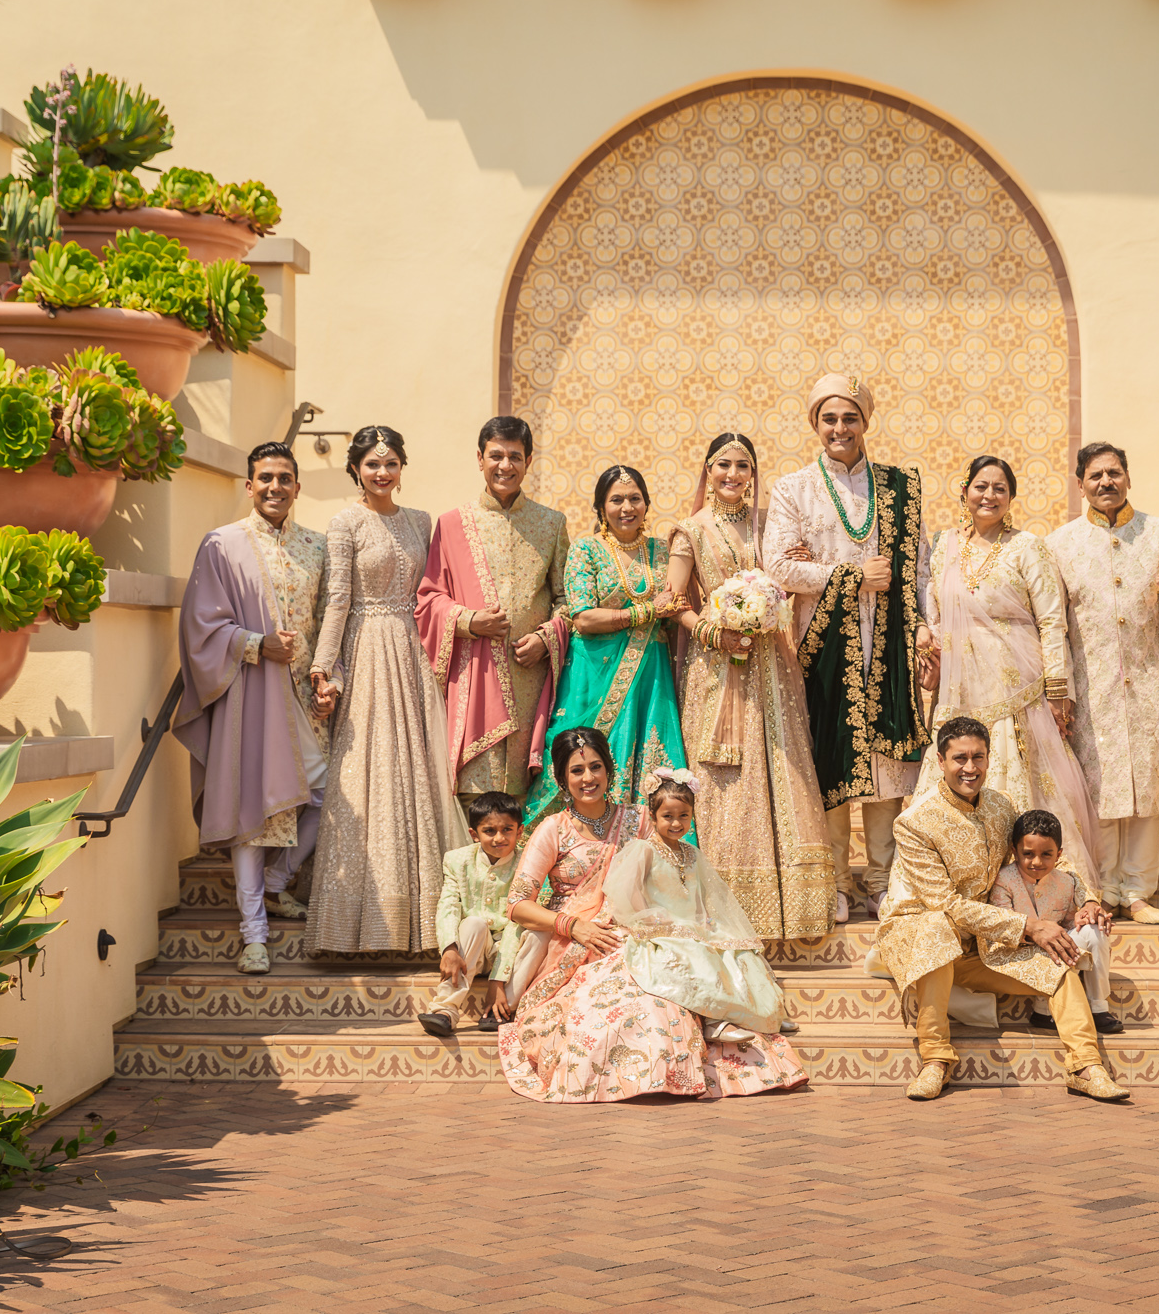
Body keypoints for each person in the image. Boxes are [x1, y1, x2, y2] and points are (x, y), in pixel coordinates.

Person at [497, 729, 807, 1103]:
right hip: (579, 941)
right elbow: (517, 904)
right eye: (577, 770)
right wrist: (574, 925)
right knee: (608, 1012)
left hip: (644, 934)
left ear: (610, 770)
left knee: (665, 998)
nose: (588, 778)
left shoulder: (641, 819)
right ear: (562, 777)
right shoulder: (554, 829)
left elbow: (675, 873)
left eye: (596, 767)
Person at [874, 715, 1128, 1104]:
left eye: (979, 757)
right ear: (940, 762)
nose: (970, 768)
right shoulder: (914, 823)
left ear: (990, 759)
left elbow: (1045, 853)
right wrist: (1029, 925)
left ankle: (1086, 1067)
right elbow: (946, 904)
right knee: (936, 927)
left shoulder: (1000, 805)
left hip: (985, 943)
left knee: (1061, 966)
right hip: (923, 935)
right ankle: (935, 1060)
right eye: (960, 758)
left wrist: (1088, 898)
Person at [763, 373, 932, 923]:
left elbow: (921, 567)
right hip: (822, 645)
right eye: (829, 418)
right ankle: (834, 882)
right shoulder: (794, 488)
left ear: (865, 422)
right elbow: (779, 567)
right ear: (816, 424)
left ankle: (883, 881)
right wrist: (851, 575)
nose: (840, 428)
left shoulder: (899, 487)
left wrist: (925, 625)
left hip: (889, 641)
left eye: (850, 417)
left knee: (886, 762)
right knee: (830, 760)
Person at [172, 441, 334, 976]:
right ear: (248, 485)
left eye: (285, 478)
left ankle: (276, 881)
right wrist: (256, 644)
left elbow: (329, 619)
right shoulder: (223, 545)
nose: (274, 487)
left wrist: (329, 678)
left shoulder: (317, 546)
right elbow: (201, 625)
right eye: (265, 478)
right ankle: (254, 935)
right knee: (251, 815)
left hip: (306, 698)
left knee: (326, 790)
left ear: (297, 486)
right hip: (250, 693)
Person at [915, 455, 1104, 910]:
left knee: (1026, 780)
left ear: (1011, 498)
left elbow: (1052, 620)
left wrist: (1058, 691)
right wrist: (927, 649)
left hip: (1017, 687)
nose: (989, 495)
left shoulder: (1027, 547)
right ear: (964, 491)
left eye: (1000, 488)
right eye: (981, 486)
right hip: (960, 687)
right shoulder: (942, 548)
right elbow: (933, 615)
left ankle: (1041, 888)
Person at [666, 432, 835, 940]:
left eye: (742, 466)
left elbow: (787, 573)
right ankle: (720, 902)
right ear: (707, 470)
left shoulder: (770, 525)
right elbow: (674, 602)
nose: (733, 475)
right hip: (716, 670)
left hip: (772, 662)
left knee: (782, 766)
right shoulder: (689, 531)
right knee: (726, 776)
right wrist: (716, 633)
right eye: (723, 465)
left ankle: (795, 907)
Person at [306, 426, 452, 954]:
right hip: (367, 650)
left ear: (401, 467)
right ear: (356, 470)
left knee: (417, 771)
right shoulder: (345, 522)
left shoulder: (420, 521)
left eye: (390, 463)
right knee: (366, 770)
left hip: (413, 654)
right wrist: (326, 669)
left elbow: (431, 594)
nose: (382, 473)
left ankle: (425, 922)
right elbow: (338, 599)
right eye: (372, 465)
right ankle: (354, 927)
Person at [1046, 442, 1159, 926]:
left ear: (1128, 477)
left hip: (1151, 685)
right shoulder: (1060, 544)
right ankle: (1101, 889)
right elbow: (1055, 623)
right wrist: (1059, 692)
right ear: (1080, 483)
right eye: (1095, 476)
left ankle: (1139, 891)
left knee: (1150, 789)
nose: (1106, 482)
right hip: (1091, 689)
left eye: (1115, 473)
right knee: (1098, 789)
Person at [415, 416, 570, 810]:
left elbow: (567, 599)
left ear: (529, 460)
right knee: (476, 795)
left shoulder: (551, 524)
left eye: (515, 457)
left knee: (528, 796)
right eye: (496, 456)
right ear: (480, 458)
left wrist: (546, 637)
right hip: (475, 676)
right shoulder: (452, 525)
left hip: (530, 675)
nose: (505, 466)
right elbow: (429, 597)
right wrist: (469, 622)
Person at [524, 465, 691, 823]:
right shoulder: (586, 550)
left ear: (646, 504)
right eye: (616, 499)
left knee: (652, 757)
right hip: (593, 672)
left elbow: (680, 601)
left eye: (635, 499)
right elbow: (583, 616)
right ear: (601, 507)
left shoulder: (663, 551)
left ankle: (652, 849)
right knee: (583, 751)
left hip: (651, 673)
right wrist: (646, 612)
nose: (626, 507)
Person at [604, 768, 801, 1049]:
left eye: (683, 815)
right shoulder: (644, 850)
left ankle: (762, 1013)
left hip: (690, 924)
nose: (676, 823)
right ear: (653, 816)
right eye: (668, 816)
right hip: (658, 926)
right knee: (696, 953)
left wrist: (705, 920)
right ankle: (715, 1021)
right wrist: (648, 920)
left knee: (738, 951)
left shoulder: (691, 853)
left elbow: (699, 895)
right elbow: (630, 890)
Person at [989, 810, 1119, 1035]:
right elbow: (1004, 922)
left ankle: (1098, 1008)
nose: (1037, 862)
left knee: (1095, 929)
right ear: (1014, 851)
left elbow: (1077, 915)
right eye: (1028, 854)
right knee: (1050, 942)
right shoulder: (1003, 880)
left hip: (1059, 948)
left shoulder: (1066, 881)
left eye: (1046, 854)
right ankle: (1043, 1010)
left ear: (1059, 854)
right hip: (1019, 950)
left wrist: (1086, 916)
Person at [417, 791, 525, 1038]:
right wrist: (449, 949)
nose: (499, 838)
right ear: (474, 834)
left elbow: (516, 925)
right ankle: (445, 1010)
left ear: (519, 832)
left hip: (509, 952)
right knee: (474, 923)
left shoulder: (526, 862)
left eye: (507, 829)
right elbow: (448, 905)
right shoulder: (457, 860)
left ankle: (500, 1008)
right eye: (489, 831)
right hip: (470, 951)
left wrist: (498, 977)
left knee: (533, 934)